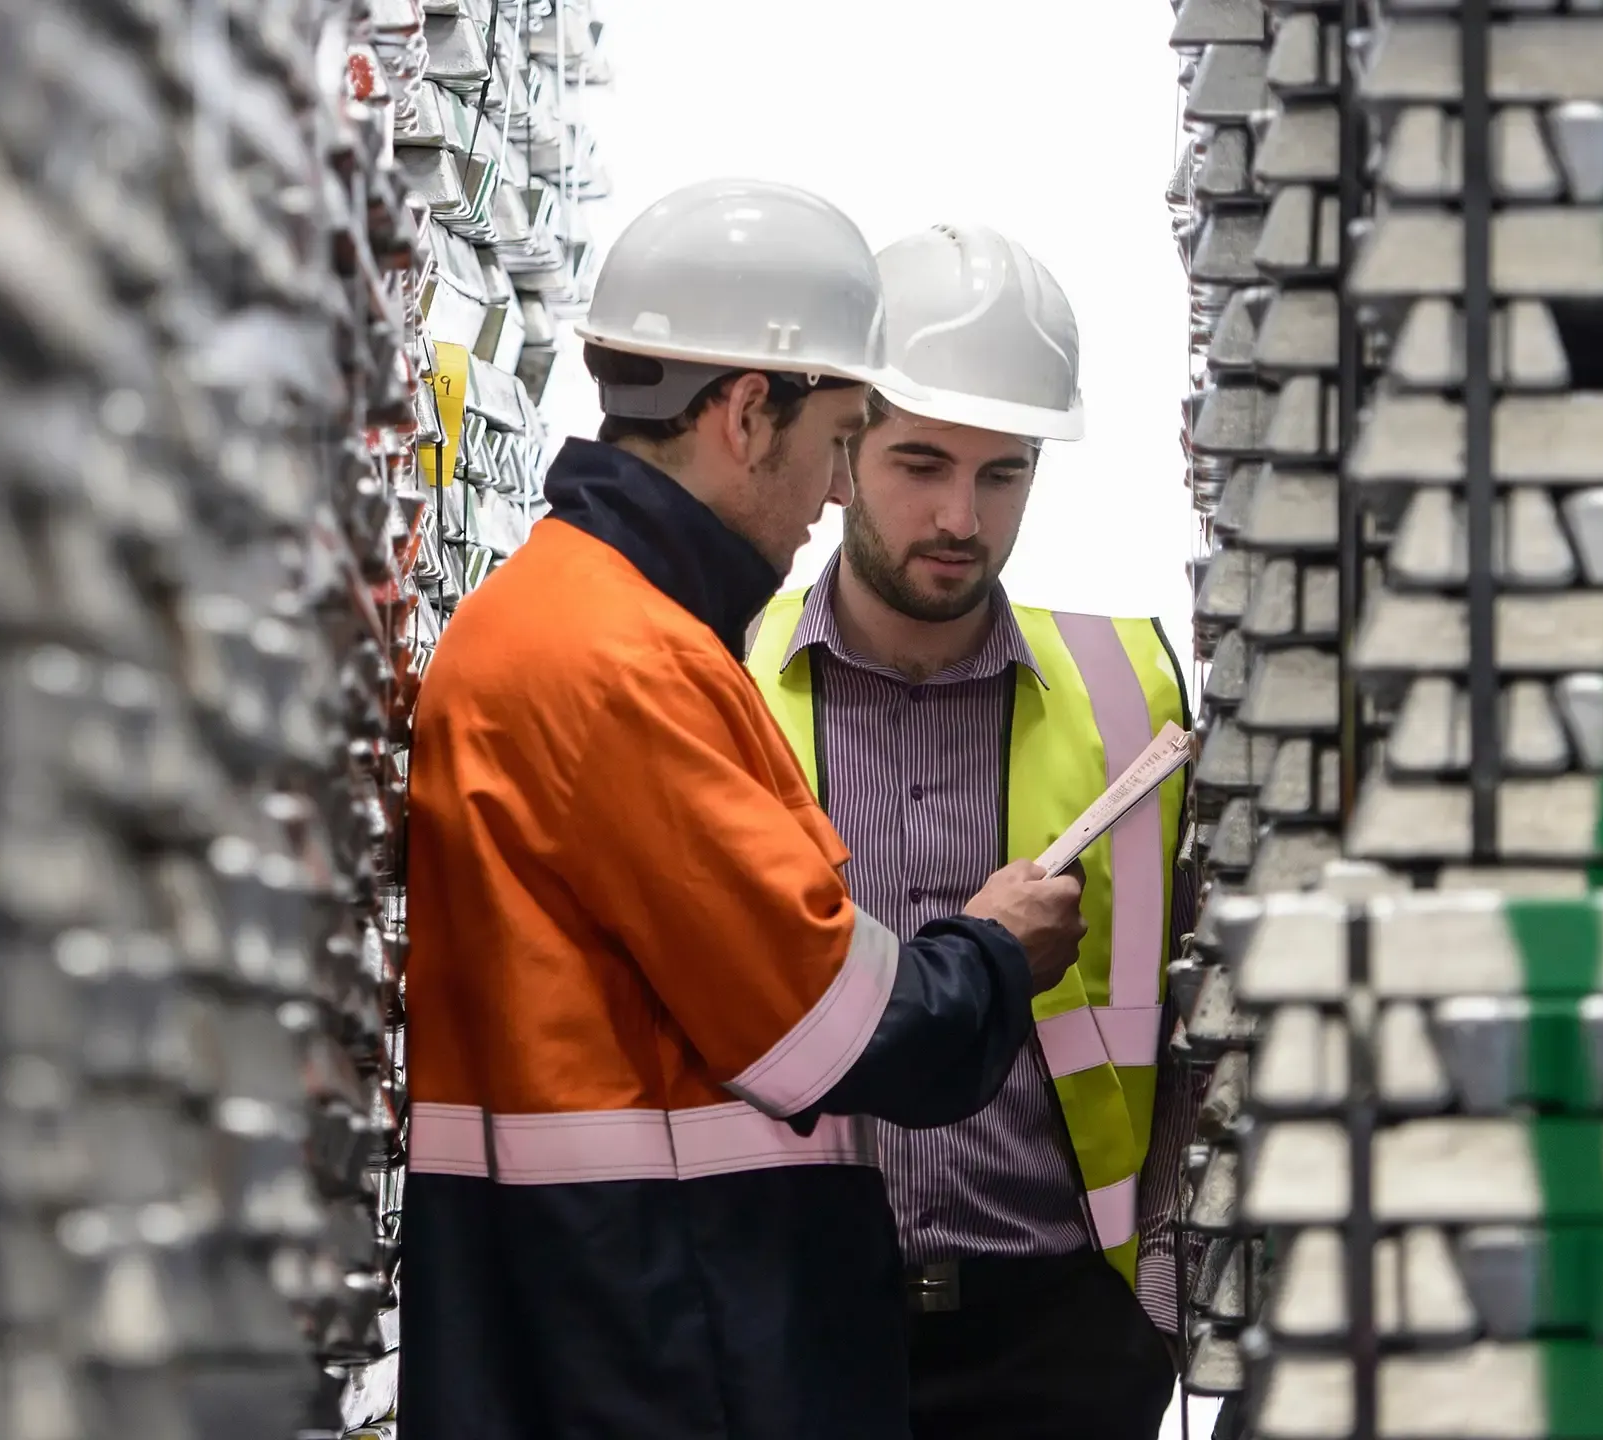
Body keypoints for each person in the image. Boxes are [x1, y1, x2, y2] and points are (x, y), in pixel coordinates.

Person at [399, 179, 1090, 1440]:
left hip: (621, 1316)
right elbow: (827, 1031)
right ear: (741, 415)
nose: (835, 493)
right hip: (658, 1341)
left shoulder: (580, 622)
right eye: (842, 442)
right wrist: (994, 953)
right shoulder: (619, 657)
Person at [743, 223, 1196, 1440]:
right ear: (842, 452)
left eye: (1003, 475)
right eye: (921, 462)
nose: (960, 516)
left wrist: (1149, 1317)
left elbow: (1201, 1018)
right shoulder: (716, 677)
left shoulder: (1133, 689)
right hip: (783, 1329)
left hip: (1058, 1340)